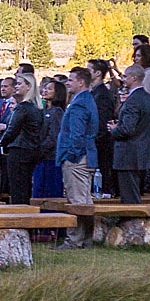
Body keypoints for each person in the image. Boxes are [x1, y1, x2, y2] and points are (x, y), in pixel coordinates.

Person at [56, 67, 100, 249]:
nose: (68, 83)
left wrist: (71, 156)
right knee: (84, 199)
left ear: (81, 82)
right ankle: (86, 239)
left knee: (77, 201)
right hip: (86, 155)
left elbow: (77, 133)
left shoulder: (79, 104)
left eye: (71, 79)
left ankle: (74, 240)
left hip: (78, 157)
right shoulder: (88, 100)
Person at [108, 64, 150, 205]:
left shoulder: (133, 101)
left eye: (125, 76)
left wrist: (114, 129)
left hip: (128, 156)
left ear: (134, 78)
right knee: (135, 195)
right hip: (143, 155)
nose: (123, 79)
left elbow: (127, 129)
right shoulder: (149, 99)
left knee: (130, 199)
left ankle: (133, 226)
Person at [0, 73, 43, 206]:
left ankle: (20, 222)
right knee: (26, 188)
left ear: (28, 86)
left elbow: (12, 130)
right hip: (32, 151)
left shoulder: (22, 107)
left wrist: (2, 143)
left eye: (19, 84)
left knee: (17, 190)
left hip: (18, 151)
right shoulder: (38, 108)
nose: (16, 86)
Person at [88, 59, 119, 197]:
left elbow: (103, 123)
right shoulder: (94, 93)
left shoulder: (102, 96)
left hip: (101, 147)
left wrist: (93, 141)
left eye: (89, 70)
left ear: (98, 73)